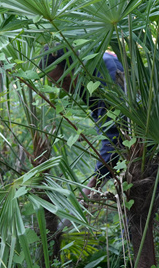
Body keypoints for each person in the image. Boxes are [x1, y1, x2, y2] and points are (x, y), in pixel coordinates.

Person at [39, 45, 124, 198]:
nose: (61, 87)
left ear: (75, 65)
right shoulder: (83, 81)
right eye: (55, 83)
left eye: (63, 79)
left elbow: (114, 132)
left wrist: (95, 181)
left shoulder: (104, 71)